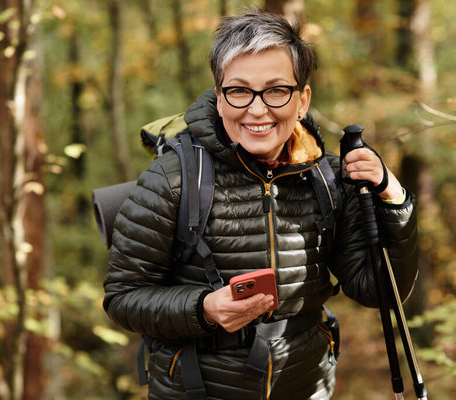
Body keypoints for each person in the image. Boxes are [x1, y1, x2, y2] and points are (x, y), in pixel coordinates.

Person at [103, 9, 418, 400]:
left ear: (302, 100)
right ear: (219, 98)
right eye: (239, 90)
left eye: (276, 90)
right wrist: (204, 308)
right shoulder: (174, 180)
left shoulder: (328, 179)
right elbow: (123, 299)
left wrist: (393, 197)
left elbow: (381, 292)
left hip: (308, 387)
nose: (256, 109)